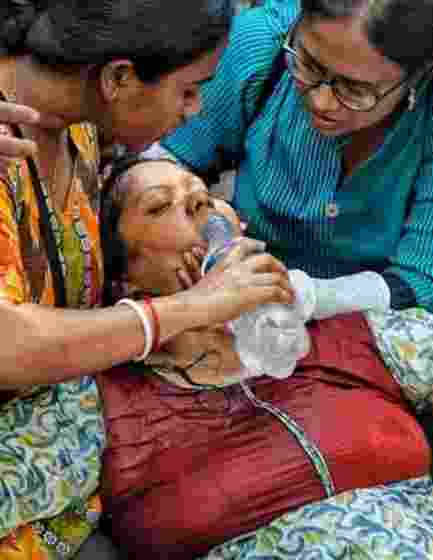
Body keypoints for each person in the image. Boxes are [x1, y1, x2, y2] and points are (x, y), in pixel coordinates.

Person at [1, 155, 433, 559]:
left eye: (205, 202)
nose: (202, 221)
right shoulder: (101, 403)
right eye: (161, 207)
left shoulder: (346, 337)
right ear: (127, 279)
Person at [0, 2, 297, 558]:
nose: (196, 109)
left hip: (75, 485)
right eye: (188, 90)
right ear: (118, 78)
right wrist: (193, 307)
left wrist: (210, 228)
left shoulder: (82, 126)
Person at [157, 0, 433, 327]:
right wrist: (201, 228)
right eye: (309, 65)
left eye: (355, 89)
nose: (322, 101)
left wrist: (301, 295)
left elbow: (425, 284)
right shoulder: (262, 39)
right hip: (256, 299)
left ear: (418, 75)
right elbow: (164, 163)